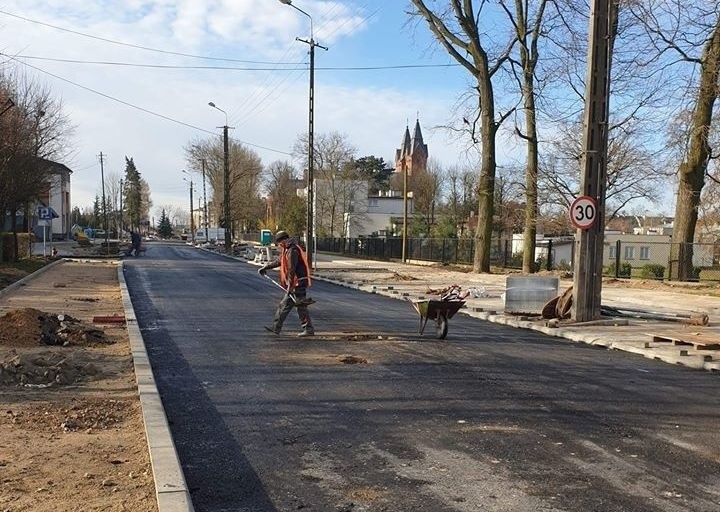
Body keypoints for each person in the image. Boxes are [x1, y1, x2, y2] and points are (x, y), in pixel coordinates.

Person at [258, 230, 314, 337]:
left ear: (283, 240)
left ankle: (278, 328)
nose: (279, 245)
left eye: (279, 243)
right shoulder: (287, 249)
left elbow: (291, 269)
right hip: (296, 283)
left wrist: (290, 285)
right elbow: (279, 261)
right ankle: (307, 328)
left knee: (289, 306)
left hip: (298, 283)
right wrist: (266, 267)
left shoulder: (292, 251)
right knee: (297, 306)